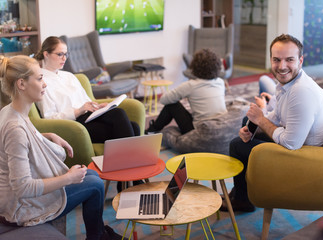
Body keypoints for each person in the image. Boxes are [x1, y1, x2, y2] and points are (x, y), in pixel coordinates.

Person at [0, 55, 125, 240]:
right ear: (21, 84)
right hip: (21, 207)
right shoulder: (15, 126)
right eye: (40, 78)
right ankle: (97, 236)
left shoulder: (10, 111)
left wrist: (46, 136)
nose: (45, 84)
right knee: (96, 184)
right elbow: (23, 188)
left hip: (14, 199)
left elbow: (11, 143)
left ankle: (99, 233)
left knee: (91, 174)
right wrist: (68, 178)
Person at [221, 34, 323, 212]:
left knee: (237, 146)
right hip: (303, 142)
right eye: (277, 60)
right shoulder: (290, 83)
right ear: (270, 59)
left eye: (289, 60)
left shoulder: (302, 92)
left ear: (300, 60)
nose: (282, 66)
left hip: (311, 156)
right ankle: (241, 192)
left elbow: (291, 143)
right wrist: (252, 127)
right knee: (248, 122)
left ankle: (242, 199)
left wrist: (260, 119)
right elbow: (276, 116)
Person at [34, 36, 141, 192]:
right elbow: (49, 117)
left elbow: (87, 101)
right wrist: (78, 111)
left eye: (66, 54)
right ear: (46, 54)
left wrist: (99, 106)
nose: (64, 58)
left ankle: (124, 182)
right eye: (60, 54)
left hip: (90, 117)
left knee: (132, 125)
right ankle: (133, 180)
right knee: (123, 119)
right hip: (75, 125)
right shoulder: (41, 81)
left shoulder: (69, 76)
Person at [146, 48, 227, 134]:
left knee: (172, 105)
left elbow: (163, 100)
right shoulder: (220, 82)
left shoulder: (190, 85)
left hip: (200, 131)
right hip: (221, 126)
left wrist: (180, 94)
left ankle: (152, 130)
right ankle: (153, 130)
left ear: (195, 67)